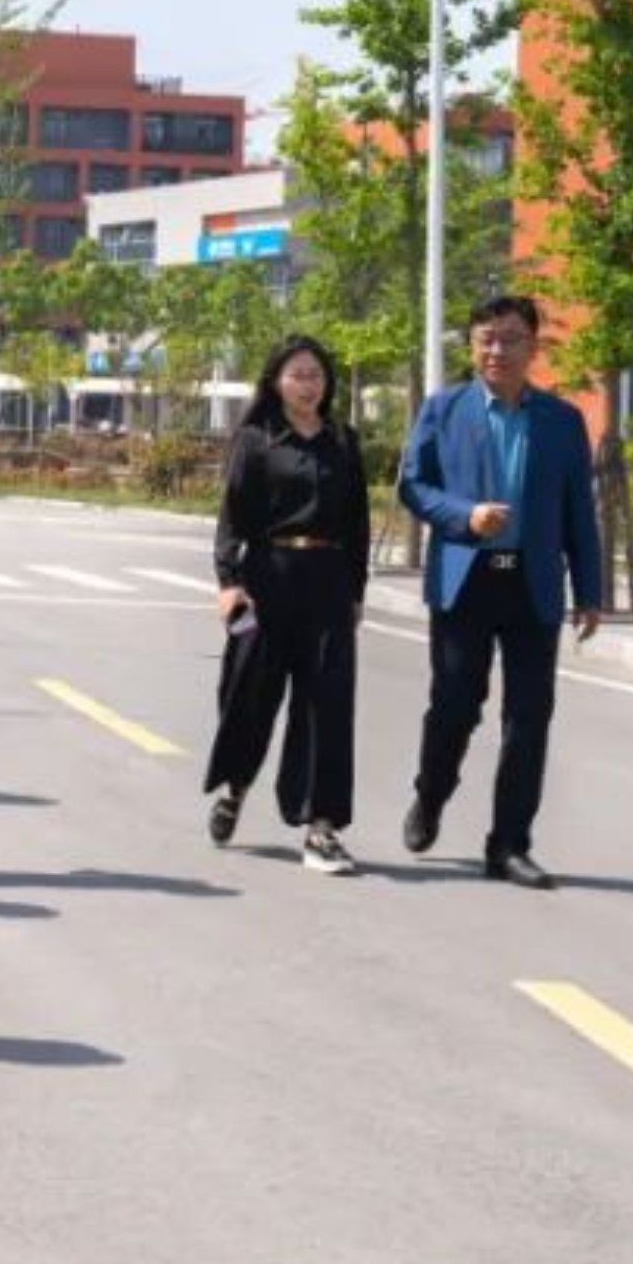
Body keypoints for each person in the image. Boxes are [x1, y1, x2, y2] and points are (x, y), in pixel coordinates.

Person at [398, 293, 607, 891]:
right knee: (456, 706)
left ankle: (510, 844)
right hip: (466, 582)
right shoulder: (443, 409)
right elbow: (413, 485)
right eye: (486, 338)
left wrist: (590, 589)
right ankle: (431, 794)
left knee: (529, 718)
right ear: (471, 346)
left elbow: (578, 511)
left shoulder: (561, 421)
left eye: (511, 338)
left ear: (532, 346)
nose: (497, 350)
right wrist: (464, 516)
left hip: (532, 584)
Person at [207, 335, 370, 876]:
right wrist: (229, 581)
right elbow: (232, 518)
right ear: (277, 381)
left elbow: (358, 524)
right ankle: (235, 786)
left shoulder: (343, 441)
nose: (308, 384)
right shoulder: (256, 441)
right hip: (267, 581)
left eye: (316, 375)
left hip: (327, 583)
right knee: (251, 698)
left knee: (327, 707)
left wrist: (356, 592)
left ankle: (321, 827)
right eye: (297, 374)